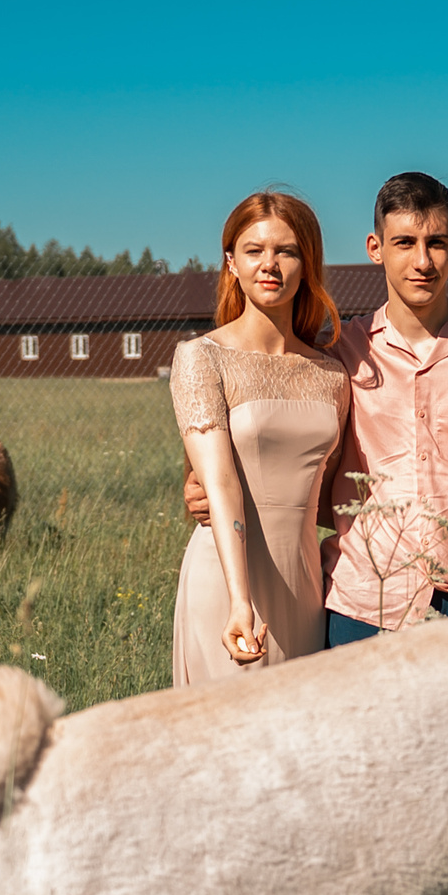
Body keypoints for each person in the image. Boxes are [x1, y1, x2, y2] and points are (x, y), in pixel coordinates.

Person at [187, 172, 448, 642]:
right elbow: (276, 431)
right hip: (356, 601)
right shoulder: (340, 353)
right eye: (404, 243)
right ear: (375, 248)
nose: (422, 261)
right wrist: (203, 482)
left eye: (437, 243)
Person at [168, 192, 348, 686]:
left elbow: (331, 494)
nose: (269, 264)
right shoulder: (200, 358)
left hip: (305, 583)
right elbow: (220, 484)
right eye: (254, 250)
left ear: (307, 264)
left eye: (287, 251)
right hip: (228, 579)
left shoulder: (333, 375)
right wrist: (239, 601)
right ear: (231, 262)